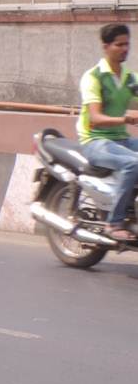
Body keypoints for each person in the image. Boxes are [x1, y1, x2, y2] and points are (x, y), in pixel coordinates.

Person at [77, 22, 138, 242]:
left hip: (121, 140)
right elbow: (96, 118)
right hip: (96, 141)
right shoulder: (94, 77)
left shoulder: (129, 78)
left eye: (127, 44)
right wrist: (127, 118)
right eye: (119, 45)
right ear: (106, 46)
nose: (124, 49)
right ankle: (114, 222)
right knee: (134, 164)